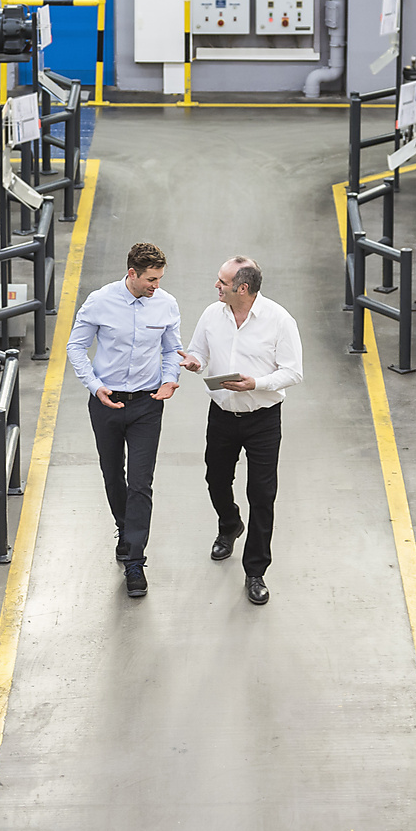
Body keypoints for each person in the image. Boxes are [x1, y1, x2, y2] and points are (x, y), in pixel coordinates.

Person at [178, 256, 302, 606]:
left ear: (242, 288)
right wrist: (194, 362)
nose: (216, 286)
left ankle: (255, 571)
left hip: (263, 418)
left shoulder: (279, 320)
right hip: (221, 415)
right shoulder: (211, 314)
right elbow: (199, 351)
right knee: (216, 480)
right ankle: (229, 524)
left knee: (262, 495)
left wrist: (256, 384)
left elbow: (294, 371)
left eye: (222, 281)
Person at [66, 241, 181, 598]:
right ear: (132, 273)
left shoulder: (166, 304)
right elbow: (75, 346)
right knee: (113, 474)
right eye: (150, 279)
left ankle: (135, 559)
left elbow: (171, 349)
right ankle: (124, 526)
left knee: (141, 482)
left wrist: (169, 378)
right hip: (107, 402)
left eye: (160, 278)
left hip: (147, 404)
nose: (156, 286)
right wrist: (95, 386)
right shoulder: (100, 301)